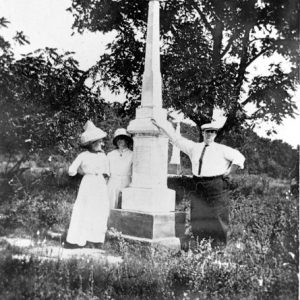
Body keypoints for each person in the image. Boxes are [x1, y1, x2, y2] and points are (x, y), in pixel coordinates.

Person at [152, 118, 245, 247]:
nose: (209, 134)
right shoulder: (194, 147)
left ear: (215, 134)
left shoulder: (222, 149)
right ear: (202, 133)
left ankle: (218, 250)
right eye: (206, 132)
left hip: (216, 185)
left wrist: (229, 171)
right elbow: (176, 139)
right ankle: (200, 247)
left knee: (218, 217)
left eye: (212, 132)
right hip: (197, 185)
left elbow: (239, 157)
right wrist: (163, 125)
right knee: (198, 216)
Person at [65, 120, 110, 248]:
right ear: (92, 143)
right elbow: (71, 171)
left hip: (100, 184)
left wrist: (103, 182)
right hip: (88, 183)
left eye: (101, 141)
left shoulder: (103, 156)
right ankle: (79, 239)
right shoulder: (83, 155)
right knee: (85, 209)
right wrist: (83, 172)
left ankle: (96, 239)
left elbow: (107, 172)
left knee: (99, 210)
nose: (101, 144)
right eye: (98, 142)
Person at [107, 128, 133, 209]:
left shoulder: (132, 154)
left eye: (122, 138)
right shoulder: (110, 154)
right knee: (110, 204)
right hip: (112, 182)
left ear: (127, 140)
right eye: (117, 139)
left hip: (126, 182)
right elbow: (106, 172)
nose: (119, 141)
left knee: (124, 205)